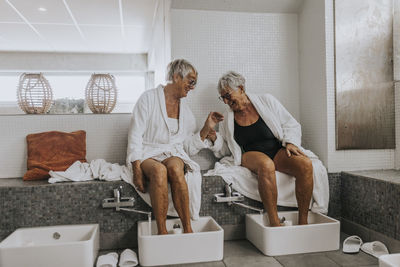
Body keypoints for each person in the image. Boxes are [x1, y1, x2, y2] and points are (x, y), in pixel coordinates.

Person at [208, 71, 323, 226]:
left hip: (276, 150)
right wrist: (214, 138)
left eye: (228, 95)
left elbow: (290, 123)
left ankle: (303, 221)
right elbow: (226, 149)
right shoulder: (227, 118)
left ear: (241, 88)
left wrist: (290, 142)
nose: (227, 101)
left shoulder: (266, 101)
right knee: (266, 165)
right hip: (249, 154)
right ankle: (274, 221)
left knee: (305, 164)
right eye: (223, 98)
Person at [126, 59, 222, 235]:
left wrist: (206, 128)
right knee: (159, 171)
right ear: (177, 77)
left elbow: (187, 147)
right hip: (148, 152)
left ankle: (188, 229)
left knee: (177, 170)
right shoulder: (148, 98)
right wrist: (136, 169)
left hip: (172, 153)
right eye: (191, 81)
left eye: (194, 83)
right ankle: (161, 231)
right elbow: (135, 135)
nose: (192, 87)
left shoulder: (186, 111)